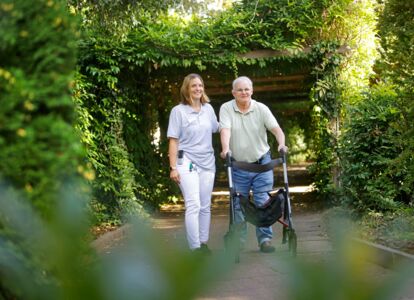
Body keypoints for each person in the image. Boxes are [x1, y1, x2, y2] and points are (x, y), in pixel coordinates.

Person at [219, 76, 288, 253]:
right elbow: (225, 130)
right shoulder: (226, 108)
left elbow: (276, 129)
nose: (244, 92)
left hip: (262, 164)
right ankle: (240, 241)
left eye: (246, 89)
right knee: (238, 204)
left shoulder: (261, 108)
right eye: (240, 90)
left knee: (262, 201)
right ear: (233, 92)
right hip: (239, 166)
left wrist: (281, 144)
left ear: (252, 91)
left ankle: (265, 240)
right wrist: (226, 149)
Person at [167, 73, 219, 254]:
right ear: (186, 89)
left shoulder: (209, 110)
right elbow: (173, 140)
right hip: (186, 161)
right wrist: (173, 167)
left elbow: (218, 128)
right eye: (193, 86)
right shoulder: (178, 111)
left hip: (207, 162)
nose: (198, 89)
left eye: (200, 85)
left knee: (205, 205)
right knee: (194, 204)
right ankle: (195, 247)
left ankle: (203, 243)